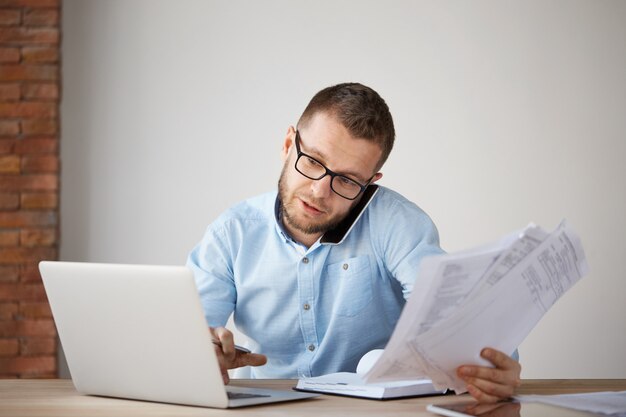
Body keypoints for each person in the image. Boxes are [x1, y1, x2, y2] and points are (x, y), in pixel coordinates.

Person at [187, 82, 521, 403]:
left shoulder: (397, 224)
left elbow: (457, 320)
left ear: (370, 184)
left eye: (346, 180)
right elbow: (189, 335)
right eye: (314, 162)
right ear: (289, 145)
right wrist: (203, 355)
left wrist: (492, 365)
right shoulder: (232, 232)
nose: (320, 191)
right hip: (268, 408)